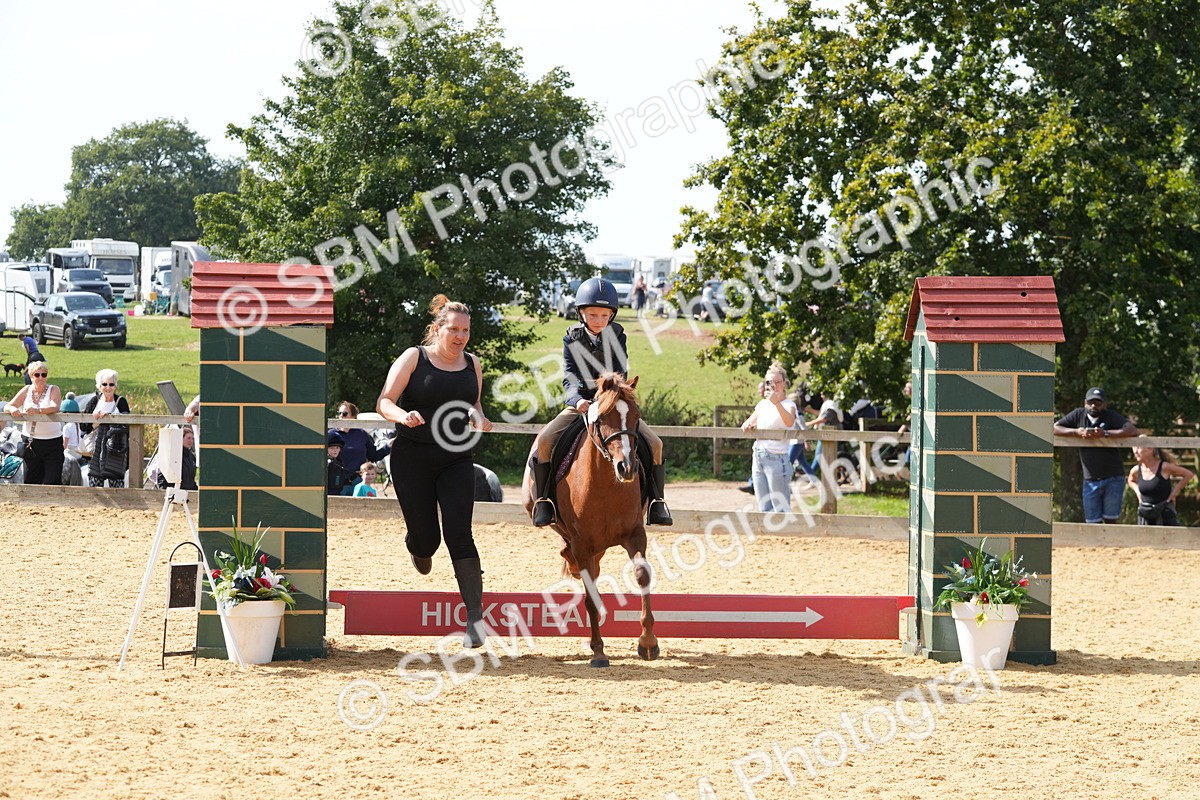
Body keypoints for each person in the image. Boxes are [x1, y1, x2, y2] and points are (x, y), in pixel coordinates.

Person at [377, 294, 493, 648]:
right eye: (454, 329)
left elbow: (473, 401)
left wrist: (478, 416)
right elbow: (384, 401)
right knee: (428, 540)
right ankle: (418, 546)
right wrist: (402, 416)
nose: (460, 336)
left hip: (456, 458)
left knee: (460, 532)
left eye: (466, 330)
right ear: (437, 329)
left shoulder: (472, 363)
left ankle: (475, 618)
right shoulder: (415, 358)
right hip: (412, 458)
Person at [529, 277, 672, 527]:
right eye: (593, 314)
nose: (598, 320)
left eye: (604, 315)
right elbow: (569, 377)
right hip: (581, 404)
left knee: (656, 444)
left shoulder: (617, 335)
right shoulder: (571, 338)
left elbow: (621, 373)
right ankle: (544, 502)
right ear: (581, 313)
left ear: (612, 316)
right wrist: (577, 400)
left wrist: (607, 397)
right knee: (544, 441)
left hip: (610, 405)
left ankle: (657, 503)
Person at [1053, 387, 1138, 524]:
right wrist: (1077, 432)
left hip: (1113, 477)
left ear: (1105, 404)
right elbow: (1055, 428)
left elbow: (1131, 429)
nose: (1094, 406)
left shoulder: (1110, 416)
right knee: (1092, 521)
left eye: (1098, 403)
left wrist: (1105, 434)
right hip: (1090, 479)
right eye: (1091, 402)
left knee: (1111, 520)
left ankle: (1110, 545)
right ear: (1085, 403)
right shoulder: (1078, 415)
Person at [740, 364, 799, 512]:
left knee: (781, 507)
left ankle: (784, 534)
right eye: (769, 382)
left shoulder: (789, 404)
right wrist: (749, 426)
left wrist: (777, 403)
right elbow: (748, 422)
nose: (773, 386)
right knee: (764, 507)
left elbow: (789, 422)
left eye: (777, 382)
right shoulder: (762, 405)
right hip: (759, 455)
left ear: (784, 383)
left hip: (777, 458)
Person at [3, 361, 64, 484]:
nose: (41, 377)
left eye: (44, 374)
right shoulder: (27, 390)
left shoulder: (54, 389)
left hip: (52, 442)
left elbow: (55, 407)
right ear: (31, 376)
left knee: (52, 480)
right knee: (31, 480)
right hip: (31, 442)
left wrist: (37, 410)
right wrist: (13, 409)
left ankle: (51, 502)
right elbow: (8, 406)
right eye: (37, 375)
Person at [80, 369, 131, 488]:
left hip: (116, 447)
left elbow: (128, 424)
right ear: (99, 386)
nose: (108, 387)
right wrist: (96, 422)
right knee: (95, 483)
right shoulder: (94, 401)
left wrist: (109, 419)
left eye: (111, 384)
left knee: (117, 483)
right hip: (96, 449)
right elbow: (83, 427)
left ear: (115, 385)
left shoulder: (121, 401)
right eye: (105, 384)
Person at [1127, 438, 1194, 526]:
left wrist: (1174, 493)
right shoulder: (1136, 470)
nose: (1135, 452)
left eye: (1138, 448)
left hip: (1165, 513)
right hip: (1146, 514)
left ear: (1150, 449)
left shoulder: (1164, 467)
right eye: (1134, 449)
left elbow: (1188, 474)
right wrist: (1138, 492)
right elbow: (1130, 480)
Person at [330, 400, 391, 495]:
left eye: (345, 413)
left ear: (354, 417)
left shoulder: (361, 434)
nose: (341, 416)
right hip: (335, 482)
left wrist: (389, 446)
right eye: (339, 413)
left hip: (358, 482)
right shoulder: (331, 434)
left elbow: (373, 456)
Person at [156, 426, 198, 491]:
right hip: (173, 493)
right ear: (181, 438)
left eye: (192, 438)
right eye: (188, 438)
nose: (191, 441)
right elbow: (162, 476)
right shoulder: (173, 454)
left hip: (187, 494)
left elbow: (190, 479)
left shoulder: (192, 457)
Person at [59, 395, 85, 486]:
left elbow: (65, 445)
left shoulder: (67, 427)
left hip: (70, 452)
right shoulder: (78, 425)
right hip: (79, 453)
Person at [326, 430, 352, 496]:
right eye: (332, 448)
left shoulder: (339, 462)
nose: (335, 450)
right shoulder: (325, 463)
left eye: (337, 448)